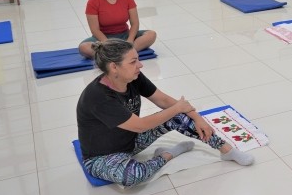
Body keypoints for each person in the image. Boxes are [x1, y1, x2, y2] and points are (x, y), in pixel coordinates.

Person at [77, 39, 255, 187]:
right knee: (134, 176)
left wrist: (196, 117)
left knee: (177, 114)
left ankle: (226, 150)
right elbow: (140, 126)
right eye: (133, 62)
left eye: (137, 59)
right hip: (103, 156)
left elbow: (162, 100)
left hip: (131, 141)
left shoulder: (133, 77)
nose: (140, 65)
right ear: (114, 67)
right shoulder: (98, 97)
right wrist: (178, 108)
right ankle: (168, 154)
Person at [78, 0, 156, 58]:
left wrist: (130, 40)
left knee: (151, 35)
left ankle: (117, 54)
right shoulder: (93, 2)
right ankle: (125, 53)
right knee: (84, 47)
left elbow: (135, 23)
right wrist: (108, 43)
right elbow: (95, 30)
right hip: (103, 39)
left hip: (125, 36)